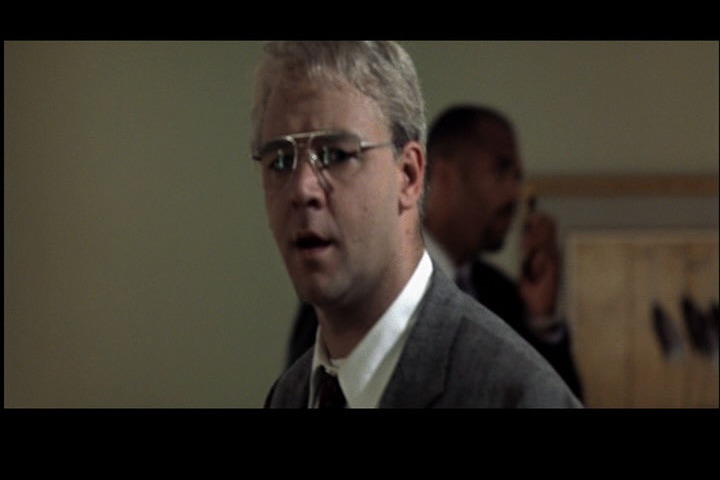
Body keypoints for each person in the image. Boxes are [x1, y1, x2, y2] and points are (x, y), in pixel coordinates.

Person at [253, 41, 581, 408]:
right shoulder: (287, 396)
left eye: (336, 155)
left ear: (409, 175)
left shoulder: (523, 396)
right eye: (280, 161)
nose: (302, 189)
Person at [422, 105, 583, 399]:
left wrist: (541, 319)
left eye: (517, 176)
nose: (515, 192)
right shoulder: (378, 291)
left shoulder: (503, 295)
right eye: (501, 169)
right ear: (444, 176)